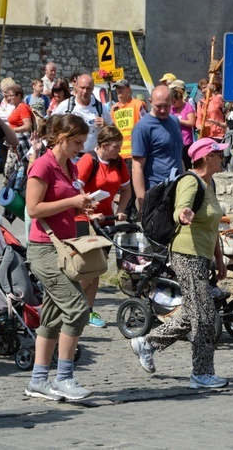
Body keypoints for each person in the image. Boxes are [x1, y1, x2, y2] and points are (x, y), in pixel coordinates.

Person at [131, 138, 229, 389]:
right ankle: (202, 373)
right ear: (206, 157)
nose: (222, 156)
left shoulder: (211, 183)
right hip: (186, 254)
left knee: (193, 311)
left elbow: (213, 227)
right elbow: (180, 208)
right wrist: (182, 214)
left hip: (202, 256)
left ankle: (148, 343)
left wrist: (219, 261)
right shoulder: (190, 181)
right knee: (205, 316)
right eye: (218, 153)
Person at [24, 113, 94, 401]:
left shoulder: (70, 166)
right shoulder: (43, 165)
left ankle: (38, 380)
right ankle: (64, 377)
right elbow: (33, 209)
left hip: (65, 247)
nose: (80, 148)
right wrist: (72, 201)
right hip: (44, 249)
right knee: (77, 308)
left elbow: (68, 205)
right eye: (77, 142)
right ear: (62, 139)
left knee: (52, 317)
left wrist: (86, 207)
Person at [75, 126, 131, 328]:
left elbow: (126, 189)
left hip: (106, 220)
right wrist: (90, 212)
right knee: (88, 268)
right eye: (116, 146)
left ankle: (88, 310)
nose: (119, 150)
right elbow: (75, 188)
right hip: (84, 220)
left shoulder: (119, 162)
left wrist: (121, 210)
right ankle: (68, 303)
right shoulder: (89, 160)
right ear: (104, 145)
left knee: (98, 268)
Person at [131, 85, 183, 212]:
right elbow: (137, 167)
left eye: (167, 106)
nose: (163, 110)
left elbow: (178, 155)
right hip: (156, 191)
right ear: (150, 102)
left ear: (172, 102)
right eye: (158, 106)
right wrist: (142, 201)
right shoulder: (143, 128)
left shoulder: (174, 121)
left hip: (177, 189)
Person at [52, 74, 112, 154]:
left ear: (93, 88)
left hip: (91, 158)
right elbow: (52, 127)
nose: (85, 91)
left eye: (88, 88)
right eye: (82, 88)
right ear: (76, 86)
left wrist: (105, 125)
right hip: (70, 158)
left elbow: (113, 131)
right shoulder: (66, 106)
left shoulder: (100, 107)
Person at [168, 80, 196, 171]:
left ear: (180, 98)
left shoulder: (188, 107)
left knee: (187, 164)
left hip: (186, 142)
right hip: (174, 141)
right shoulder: (172, 109)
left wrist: (178, 120)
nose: (174, 104)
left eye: (175, 102)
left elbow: (191, 123)